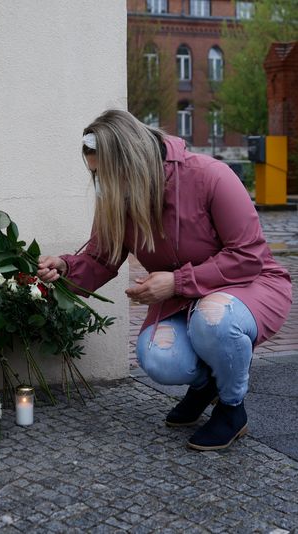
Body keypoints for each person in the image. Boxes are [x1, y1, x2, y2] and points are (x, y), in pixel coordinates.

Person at [37, 109, 292, 451]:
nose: (100, 185)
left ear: (129, 162)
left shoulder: (210, 175)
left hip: (249, 287)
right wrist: (66, 267)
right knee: (157, 357)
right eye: (95, 175)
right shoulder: (117, 197)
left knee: (214, 321)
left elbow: (247, 256)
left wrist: (175, 282)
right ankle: (209, 384)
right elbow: (101, 258)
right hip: (188, 301)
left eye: (104, 174)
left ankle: (233, 409)